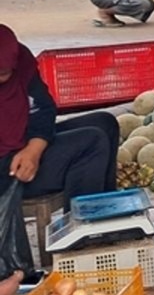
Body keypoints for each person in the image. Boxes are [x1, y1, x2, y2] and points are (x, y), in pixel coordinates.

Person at [0, 24, 122, 231]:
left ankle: (105, 217)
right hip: (8, 172)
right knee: (91, 141)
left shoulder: (21, 60)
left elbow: (44, 108)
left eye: (3, 72)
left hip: (22, 148)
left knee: (105, 123)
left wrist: (33, 149)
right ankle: (82, 233)